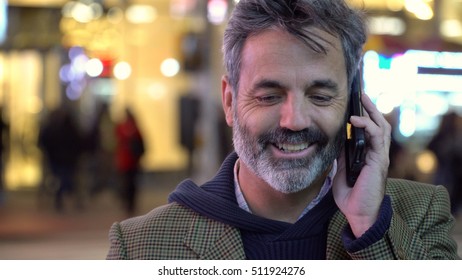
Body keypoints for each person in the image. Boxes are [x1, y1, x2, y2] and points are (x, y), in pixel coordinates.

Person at [107, 0, 459, 259]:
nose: (294, 120)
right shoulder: (141, 246)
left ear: (353, 104)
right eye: (270, 95)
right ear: (229, 102)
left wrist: (370, 227)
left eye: (320, 96)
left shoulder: (420, 214)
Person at [114, 107, 145, 216]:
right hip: (131, 161)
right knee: (131, 183)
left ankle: (128, 203)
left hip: (125, 161)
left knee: (126, 183)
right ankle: (130, 203)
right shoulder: (135, 128)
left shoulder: (121, 128)